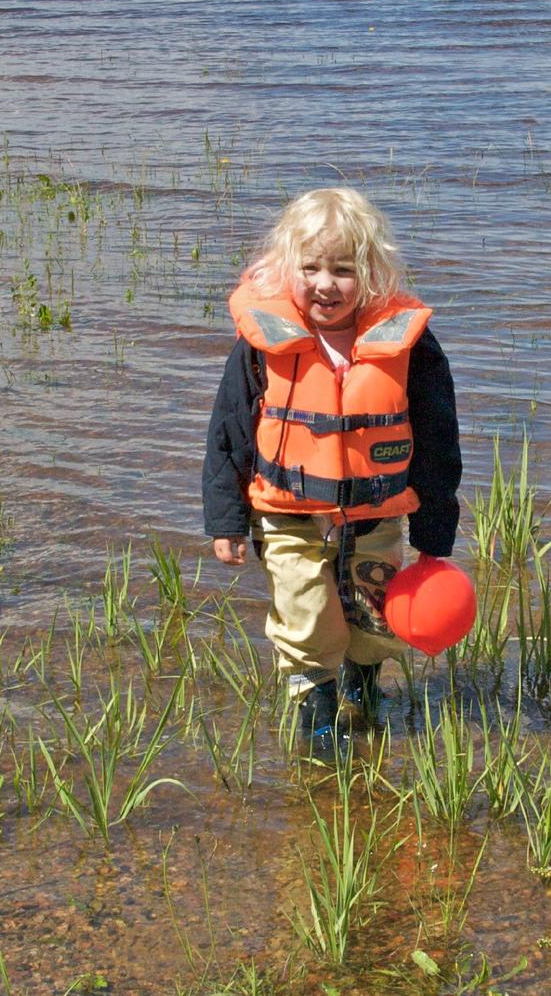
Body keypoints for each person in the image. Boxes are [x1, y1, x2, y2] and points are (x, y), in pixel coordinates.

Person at [202, 187, 461, 752]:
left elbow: (439, 440)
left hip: (376, 516)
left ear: (370, 274)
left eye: (343, 270)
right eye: (311, 267)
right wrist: (225, 521)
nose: (325, 284)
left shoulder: (409, 347)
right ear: (285, 269)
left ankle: (363, 690)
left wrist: (435, 533)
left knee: (375, 619)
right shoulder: (261, 347)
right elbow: (229, 434)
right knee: (306, 620)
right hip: (288, 515)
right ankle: (318, 719)